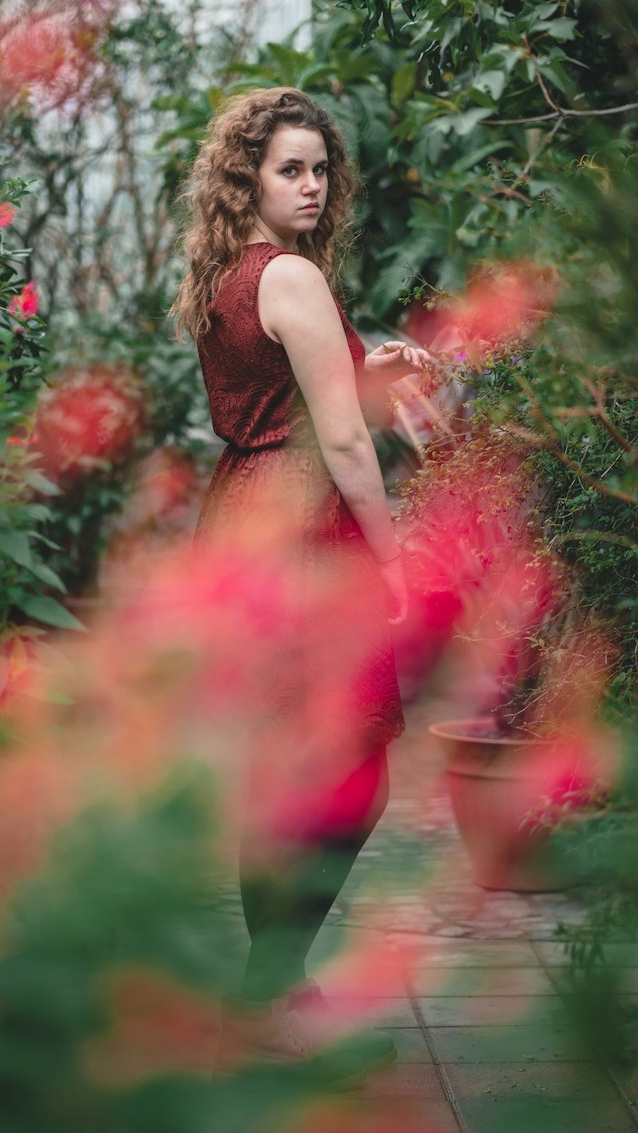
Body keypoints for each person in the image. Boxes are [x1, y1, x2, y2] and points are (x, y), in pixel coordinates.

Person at [171, 87, 429, 1069]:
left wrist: (370, 364)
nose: (314, 184)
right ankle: (267, 986)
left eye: (320, 167)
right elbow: (341, 440)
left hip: (243, 519)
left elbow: (289, 391)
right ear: (250, 177)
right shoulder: (294, 279)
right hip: (308, 530)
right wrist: (396, 556)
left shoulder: (228, 275)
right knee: (353, 767)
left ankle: (272, 986)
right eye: (291, 168)